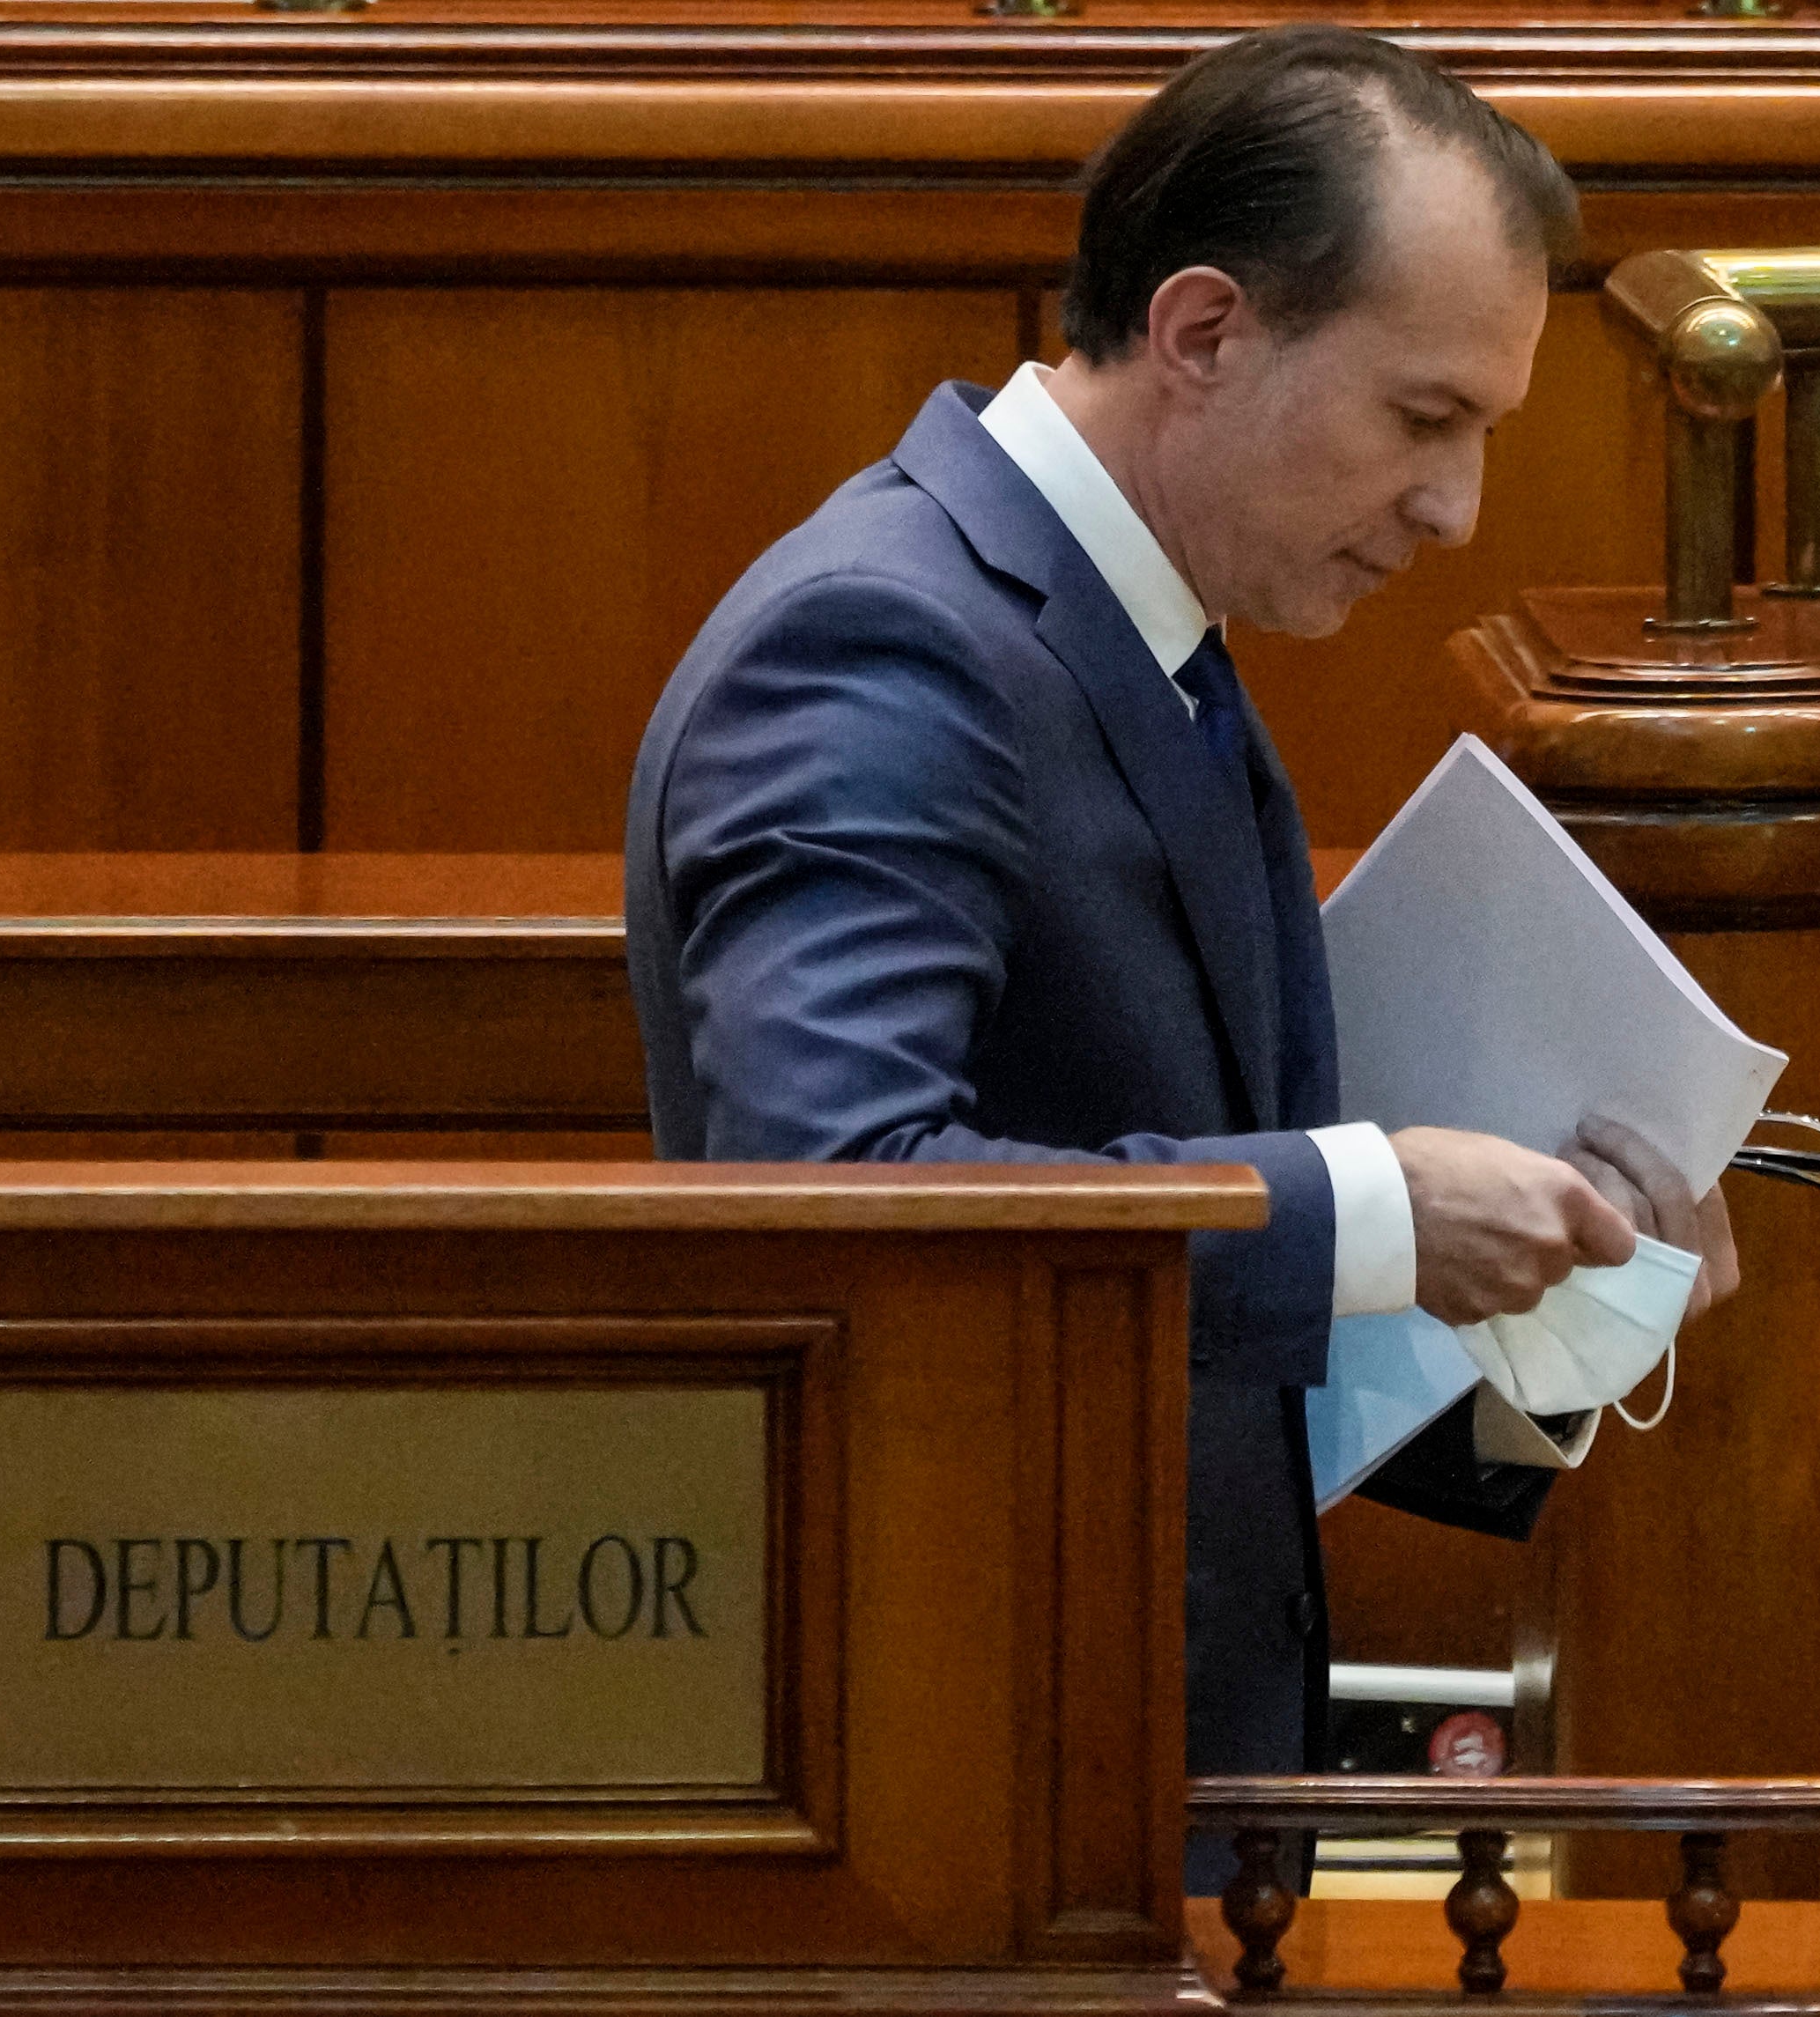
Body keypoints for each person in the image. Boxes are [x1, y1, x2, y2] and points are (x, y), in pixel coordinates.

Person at [622, 24, 1741, 1881]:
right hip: (959, 1800)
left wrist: (1549, 1296)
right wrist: (1375, 1210)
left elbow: (1196, 1291)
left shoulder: (1149, 638)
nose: (1453, 510)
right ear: (1203, 329)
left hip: (1129, 1774)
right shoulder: (879, 649)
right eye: (1420, 418)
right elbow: (823, 1197)